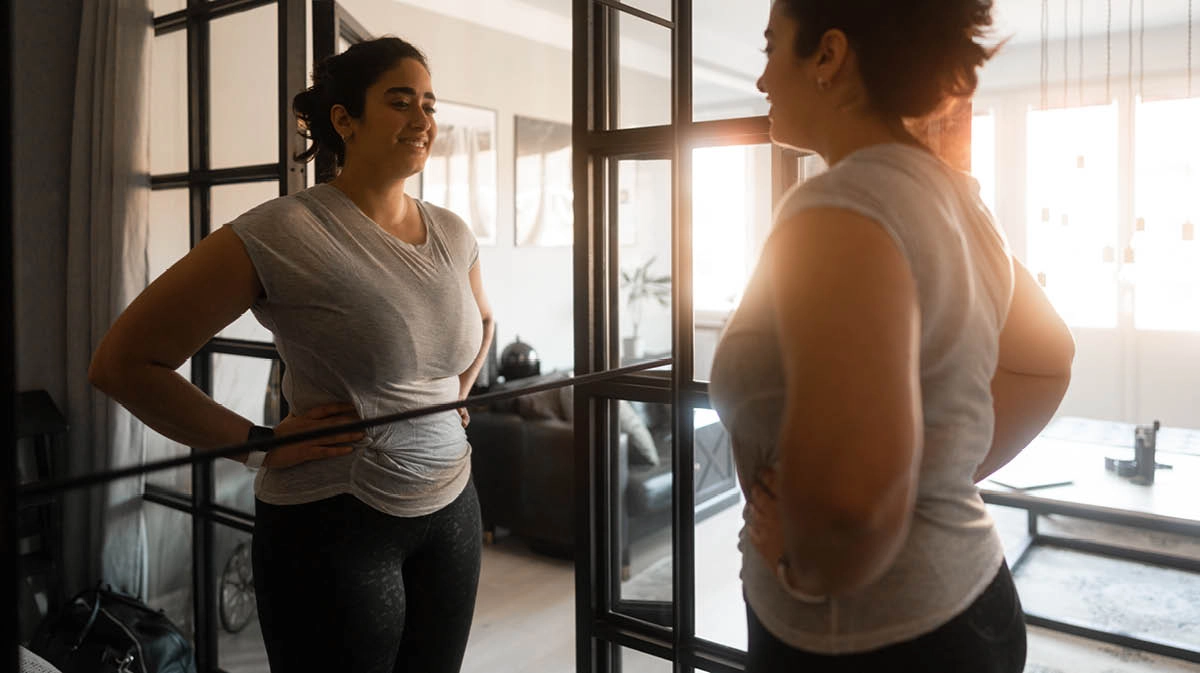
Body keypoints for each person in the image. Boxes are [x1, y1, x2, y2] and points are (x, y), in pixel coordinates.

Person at [89, 36, 495, 673]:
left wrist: (453, 395)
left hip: (453, 510)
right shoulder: (283, 231)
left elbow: (484, 322)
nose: (423, 121)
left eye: (429, 104)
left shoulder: (453, 231)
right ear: (344, 120)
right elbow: (123, 363)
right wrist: (257, 442)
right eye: (400, 102)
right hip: (337, 522)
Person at [708, 2, 1076, 671]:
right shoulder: (960, 200)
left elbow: (848, 507)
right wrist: (934, 473)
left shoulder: (834, 209)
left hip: (871, 640)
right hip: (971, 602)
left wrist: (804, 561)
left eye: (770, 49)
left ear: (828, 55)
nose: (760, 79)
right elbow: (1050, 361)